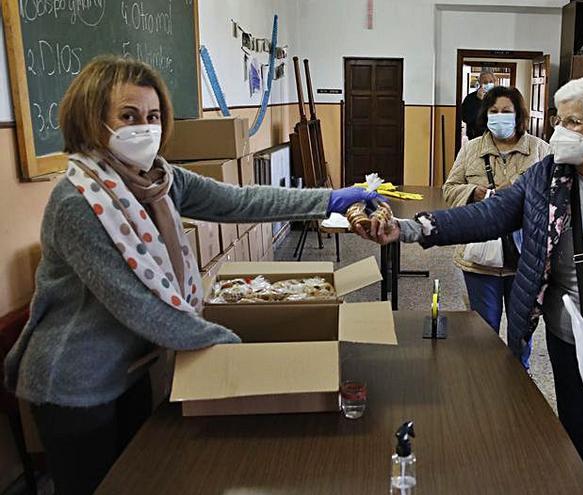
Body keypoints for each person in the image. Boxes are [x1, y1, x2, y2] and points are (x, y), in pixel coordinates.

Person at [3, 55, 378, 495]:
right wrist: (234, 348)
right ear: (92, 121)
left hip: (131, 366)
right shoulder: (77, 202)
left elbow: (238, 202)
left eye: (153, 116)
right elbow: (136, 303)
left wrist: (328, 199)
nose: (145, 127)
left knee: (144, 478)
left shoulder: (157, 180)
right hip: (74, 382)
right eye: (128, 116)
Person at [357, 77, 583, 494]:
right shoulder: (548, 175)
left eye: (573, 122)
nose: (559, 129)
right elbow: (490, 214)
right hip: (569, 335)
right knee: (575, 439)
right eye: (560, 118)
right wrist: (410, 228)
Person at [443, 86, 550, 366]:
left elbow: (555, 198)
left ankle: (519, 382)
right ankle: (485, 385)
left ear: (519, 115)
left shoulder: (540, 150)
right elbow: (449, 190)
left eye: (506, 111)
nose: (499, 116)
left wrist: (521, 195)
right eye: (493, 111)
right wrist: (475, 192)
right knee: (484, 330)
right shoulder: (471, 149)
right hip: (480, 258)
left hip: (525, 258)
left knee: (522, 333)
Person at [461, 69, 497, 139]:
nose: (488, 84)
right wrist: (479, 101)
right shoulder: (470, 98)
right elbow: (466, 118)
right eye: (485, 82)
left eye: (491, 81)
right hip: (476, 136)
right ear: (480, 83)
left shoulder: (498, 97)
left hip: (494, 136)